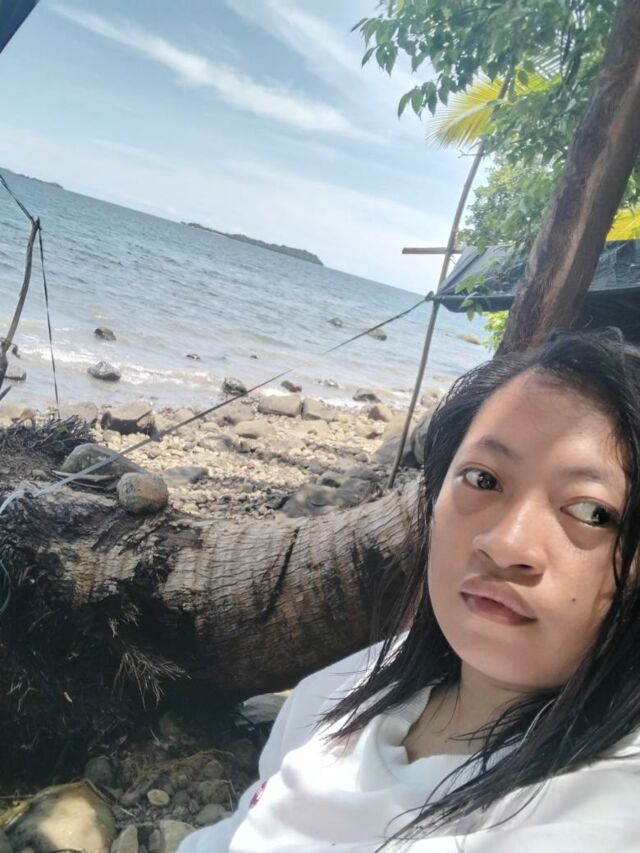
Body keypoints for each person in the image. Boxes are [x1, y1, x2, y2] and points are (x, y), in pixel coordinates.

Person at [178, 329, 640, 852]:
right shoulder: (343, 686)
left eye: (592, 512)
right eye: (483, 479)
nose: (505, 544)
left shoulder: (604, 811)